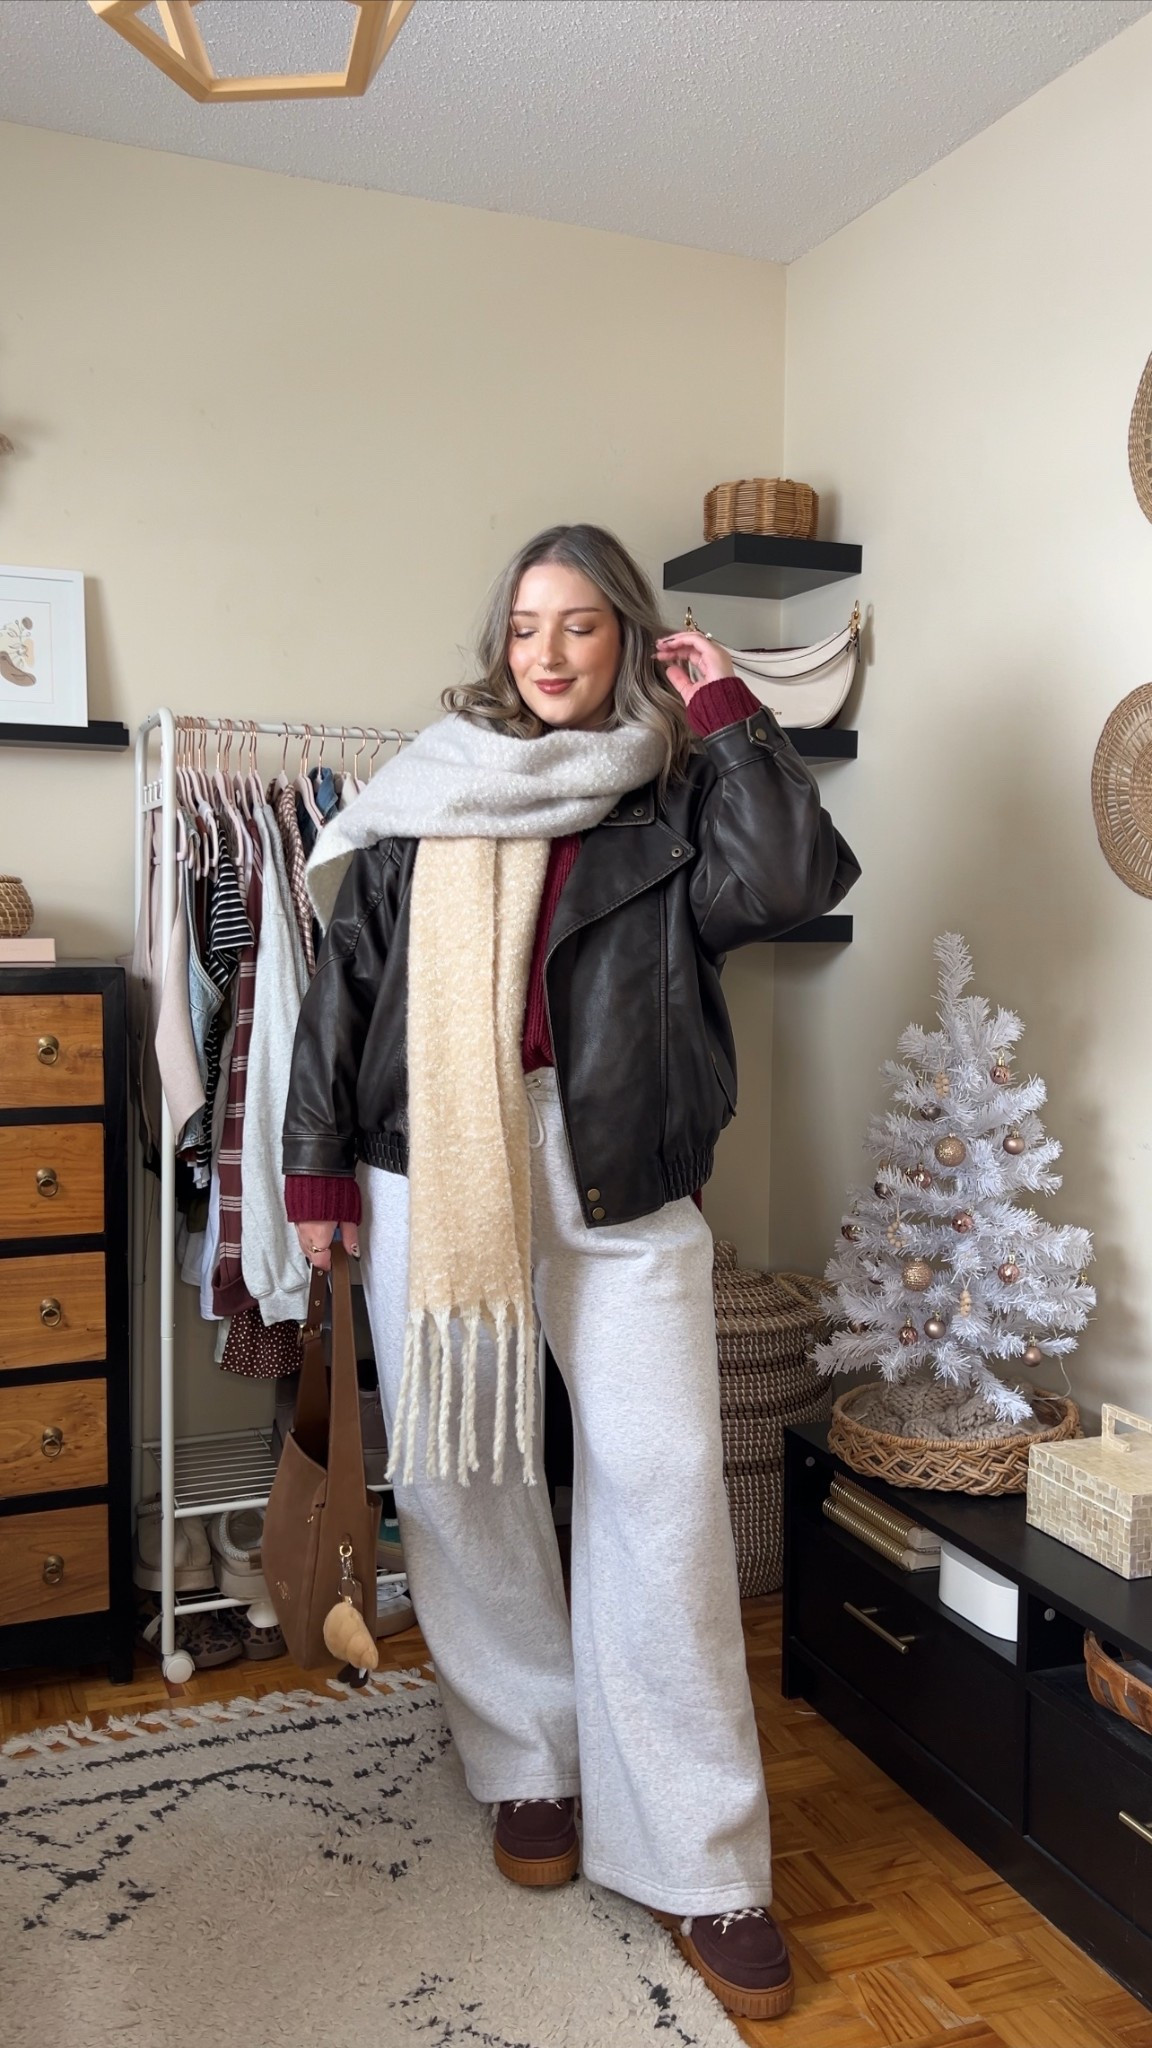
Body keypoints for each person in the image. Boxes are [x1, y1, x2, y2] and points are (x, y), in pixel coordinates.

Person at [281, 523, 858, 2022]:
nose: (548, 653)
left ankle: (705, 1857)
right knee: (465, 1474)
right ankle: (529, 1761)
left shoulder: (671, 795)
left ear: (628, 641)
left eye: (582, 627)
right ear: (502, 640)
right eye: (527, 625)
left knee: (663, 1491)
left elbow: (790, 881)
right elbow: (348, 989)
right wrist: (318, 1171)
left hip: (620, 1168)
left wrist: (726, 706)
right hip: (434, 1164)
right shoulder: (427, 790)